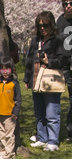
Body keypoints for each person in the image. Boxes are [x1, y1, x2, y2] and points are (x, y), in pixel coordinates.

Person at [24, 11, 66, 151]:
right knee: (39, 111)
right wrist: (27, 78)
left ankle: (53, 141)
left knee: (52, 112)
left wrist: (49, 61)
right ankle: (42, 138)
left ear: (51, 25)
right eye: (39, 25)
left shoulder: (57, 40)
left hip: (50, 80)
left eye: (46, 25)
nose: (43, 28)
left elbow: (62, 60)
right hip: (36, 79)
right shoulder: (36, 40)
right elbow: (30, 60)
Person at [0, 57, 22, 159]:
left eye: (7, 69)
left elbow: (18, 100)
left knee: (9, 135)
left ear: (12, 69)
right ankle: (2, 153)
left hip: (10, 115)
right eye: (2, 69)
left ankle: (9, 155)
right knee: (2, 134)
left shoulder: (14, 84)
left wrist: (15, 112)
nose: (5, 72)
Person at [57, 0, 72, 141]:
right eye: (65, 4)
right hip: (62, 64)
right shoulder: (59, 21)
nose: (68, 6)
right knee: (55, 96)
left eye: (71, 3)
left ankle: (70, 131)